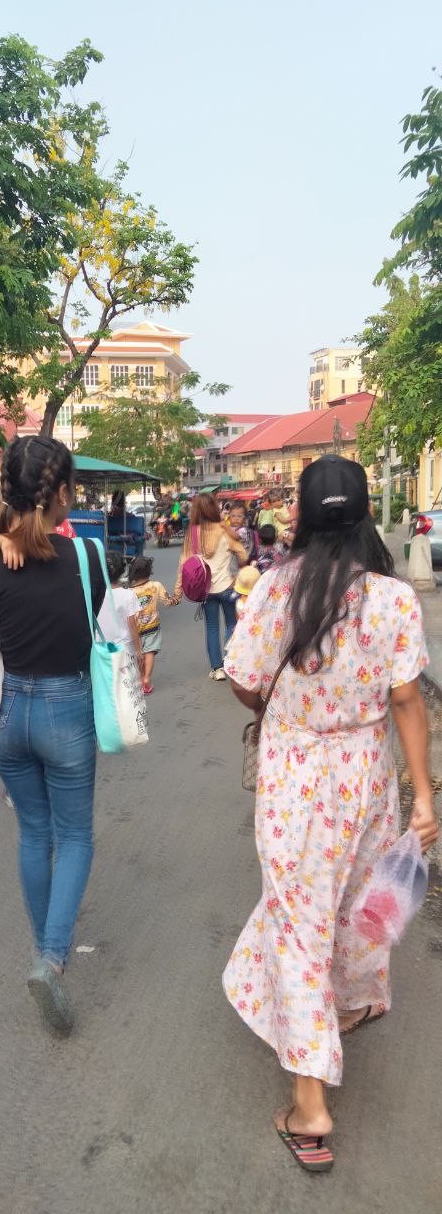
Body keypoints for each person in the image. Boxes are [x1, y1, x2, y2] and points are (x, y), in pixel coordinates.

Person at [222, 455, 438, 1173]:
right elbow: (407, 700)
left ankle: (310, 1105)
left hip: (294, 778)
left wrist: (281, 702)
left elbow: (245, 680)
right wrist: (424, 796)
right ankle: (349, 1003)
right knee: (354, 903)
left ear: (303, 517)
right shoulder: (393, 598)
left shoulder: (274, 590)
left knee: (297, 922)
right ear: (367, 514)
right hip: (364, 777)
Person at [0, 435, 106, 1033]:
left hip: (6, 718)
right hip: (64, 710)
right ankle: (50, 960)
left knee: (34, 831)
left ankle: (41, 949)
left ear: (9, 493)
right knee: (74, 837)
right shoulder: (88, 557)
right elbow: (94, 631)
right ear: (65, 495)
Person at [174, 494, 246, 680]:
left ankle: (217, 669)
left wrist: (178, 591)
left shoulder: (192, 533)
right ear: (214, 508)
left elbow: (183, 564)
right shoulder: (224, 530)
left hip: (205, 590)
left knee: (212, 627)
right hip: (228, 586)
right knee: (232, 624)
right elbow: (243, 555)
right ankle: (231, 662)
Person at [127, 554, 175, 695]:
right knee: (150, 652)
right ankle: (147, 678)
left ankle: (141, 678)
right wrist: (174, 600)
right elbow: (167, 601)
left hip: (135, 630)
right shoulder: (156, 586)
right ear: (150, 571)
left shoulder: (129, 592)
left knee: (139, 653)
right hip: (152, 626)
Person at [97, 551, 145, 673]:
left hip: (100, 647)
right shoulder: (128, 595)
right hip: (125, 648)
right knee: (126, 682)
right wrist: (139, 651)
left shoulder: (95, 595)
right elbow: (132, 624)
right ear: (123, 571)